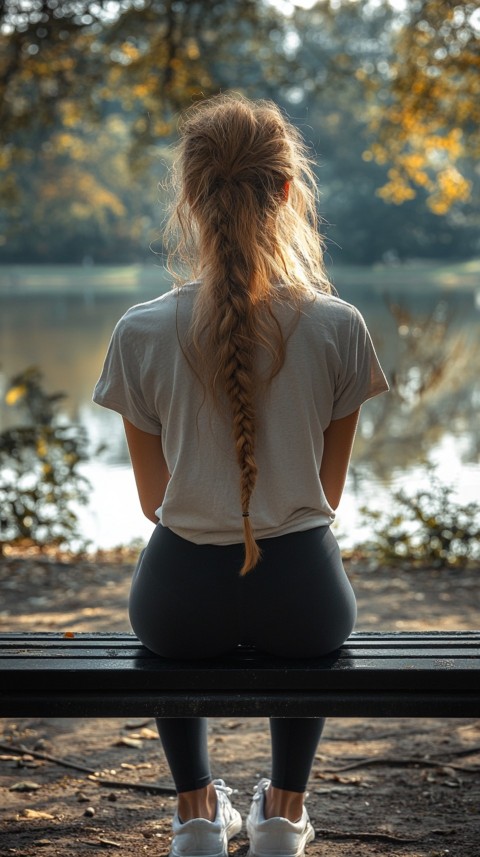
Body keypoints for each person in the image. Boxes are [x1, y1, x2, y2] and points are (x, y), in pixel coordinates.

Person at [93, 92, 389, 857]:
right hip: (307, 602)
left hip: (178, 604)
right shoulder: (340, 325)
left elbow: (156, 501)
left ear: (190, 196)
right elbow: (326, 498)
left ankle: (195, 813)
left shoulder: (139, 331)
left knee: (169, 631)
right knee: (306, 622)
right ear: (289, 191)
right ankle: (283, 815)